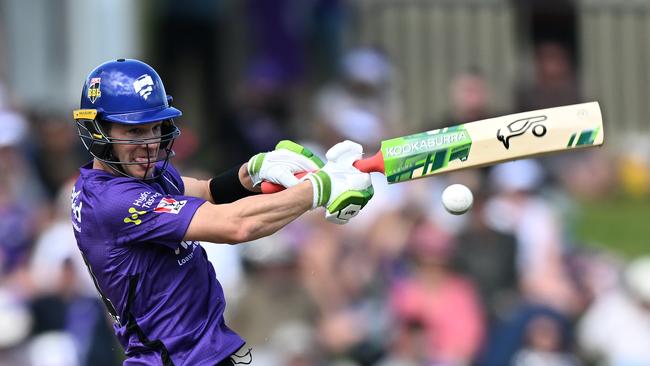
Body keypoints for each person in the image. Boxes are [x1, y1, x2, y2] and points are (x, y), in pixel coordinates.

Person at [69, 58, 374, 365]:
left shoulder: (138, 175)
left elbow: (206, 191)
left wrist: (253, 172)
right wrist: (319, 188)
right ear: (97, 131)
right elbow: (235, 226)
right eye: (134, 132)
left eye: (154, 128)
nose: (149, 144)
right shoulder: (113, 201)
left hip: (200, 354)